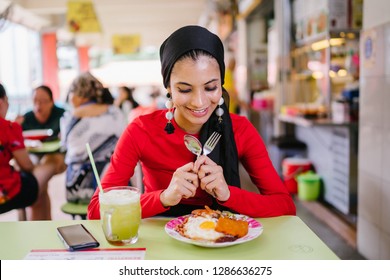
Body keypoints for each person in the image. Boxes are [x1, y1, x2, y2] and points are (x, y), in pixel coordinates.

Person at [88, 25, 296, 219]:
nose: (199, 102)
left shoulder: (240, 130)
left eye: (211, 87)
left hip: (222, 240)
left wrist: (228, 194)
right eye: (185, 89)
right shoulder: (141, 130)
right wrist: (163, 197)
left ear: (221, 85)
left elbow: (284, 205)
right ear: (168, 88)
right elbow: (97, 210)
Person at [60, 72, 126, 204]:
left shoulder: (71, 118)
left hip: (77, 189)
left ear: (81, 94)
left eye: (72, 92)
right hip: (116, 187)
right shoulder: (115, 113)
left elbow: (66, 146)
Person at [0, 83, 57, 220]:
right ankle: (40, 232)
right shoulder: (8, 126)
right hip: (7, 193)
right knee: (50, 164)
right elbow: (27, 165)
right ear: (1, 102)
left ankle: (26, 222)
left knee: (39, 188)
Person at [16, 85, 66, 220]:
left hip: (56, 156)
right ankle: (41, 223)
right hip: (33, 155)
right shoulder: (26, 118)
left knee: (37, 182)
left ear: (51, 102)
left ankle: (28, 223)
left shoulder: (63, 115)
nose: (39, 105)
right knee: (38, 186)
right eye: (35, 101)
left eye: (43, 101)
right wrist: (16, 126)